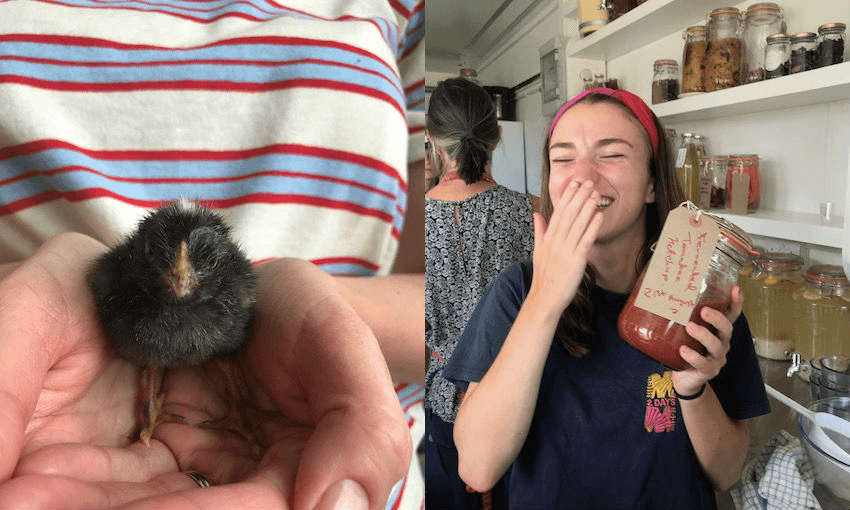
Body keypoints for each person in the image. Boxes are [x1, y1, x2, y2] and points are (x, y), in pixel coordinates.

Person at [0, 1, 425, 509]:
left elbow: (455, 302)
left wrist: (317, 327)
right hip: (48, 425)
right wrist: (25, 306)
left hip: (317, 434)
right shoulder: (126, 284)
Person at [444, 88, 770, 510]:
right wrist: (544, 301)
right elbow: (477, 466)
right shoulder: (518, 290)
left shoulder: (703, 298)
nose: (582, 175)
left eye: (611, 154)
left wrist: (691, 388)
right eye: (563, 158)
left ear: (652, 182)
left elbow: (725, 474)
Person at [424, 77, 535, 509]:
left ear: (431, 139)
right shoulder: (531, 213)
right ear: (498, 134)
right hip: (517, 400)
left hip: (440, 407)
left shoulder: (410, 224)